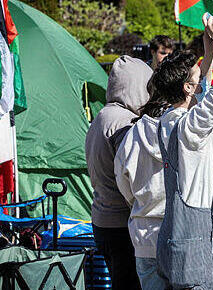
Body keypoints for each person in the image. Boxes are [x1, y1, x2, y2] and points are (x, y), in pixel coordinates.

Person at [114, 26, 213, 290]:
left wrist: (142, 203)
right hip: (181, 234)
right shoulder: (185, 130)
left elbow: (124, 183)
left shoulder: (134, 132)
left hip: (145, 234)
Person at [153, 15, 213, 289]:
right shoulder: (190, 128)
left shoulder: (169, 119)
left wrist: (209, 53)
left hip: (178, 243)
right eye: (197, 79)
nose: (203, 83)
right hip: (198, 252)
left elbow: (203, 95)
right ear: (187, 88)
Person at [85, 56, 151, 290]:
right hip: (122, 223)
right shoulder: (125, 123)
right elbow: (133, 176)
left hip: (102, 219)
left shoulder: (102, 116)